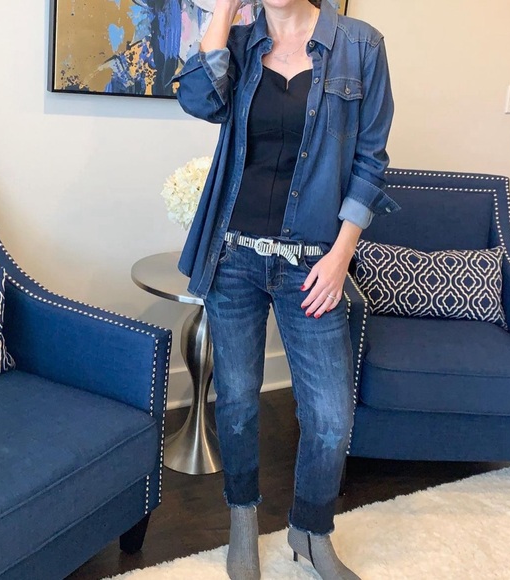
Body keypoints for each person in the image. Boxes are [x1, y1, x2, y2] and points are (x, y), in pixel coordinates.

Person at [171, 0, 400, 577]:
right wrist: (224, 10)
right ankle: (242, 522)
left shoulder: (361, 46)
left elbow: (371, 159)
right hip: (234, 258)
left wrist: (340, 257)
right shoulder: (240, 45)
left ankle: (310, 530)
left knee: (330, 416)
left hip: (313, 263)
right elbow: (199, 100)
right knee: (238, 403)